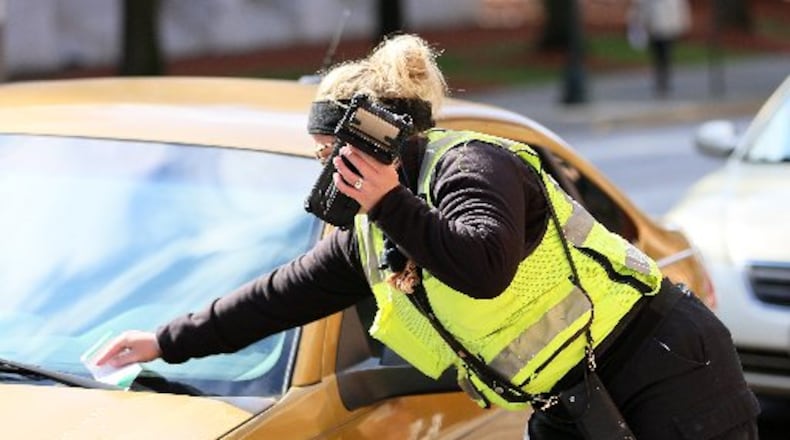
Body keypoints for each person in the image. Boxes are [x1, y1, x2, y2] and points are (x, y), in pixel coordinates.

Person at [96, 34, 759, 439]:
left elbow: (484, 263)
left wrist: (386, 201)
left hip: (666, 364)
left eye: (332, 150)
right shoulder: (375, 228)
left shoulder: (473, 164)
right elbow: (281, 295)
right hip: (574, 398)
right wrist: (164, 340)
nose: (327, 169)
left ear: (372, 138)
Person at [629, 0, 692, 97]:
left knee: (666, 55)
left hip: (668, 30)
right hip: (654, 30)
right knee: (657, 56)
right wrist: (640, 23)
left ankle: (665, 80)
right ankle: (659, 79)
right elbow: (641, 9)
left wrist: (682, 25)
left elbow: (681, 10)